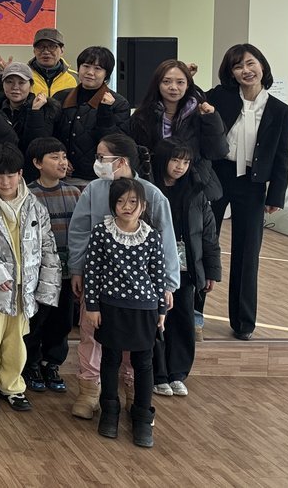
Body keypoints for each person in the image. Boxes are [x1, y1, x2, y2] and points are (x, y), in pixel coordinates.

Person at [66, 132, 180, 420]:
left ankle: (131, 390)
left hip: (139, 293)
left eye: (102, 157)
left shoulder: (151, 194)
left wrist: (168, 285)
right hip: (99, 286)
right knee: (91, 335)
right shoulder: (93, 190)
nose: (97, 162)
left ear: (121, 161)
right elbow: (79, 231)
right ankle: (89, 390)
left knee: (135, 343)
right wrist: (76, 269)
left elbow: (166, 242)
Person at [206, 43, 288, 341]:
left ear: (262, 66)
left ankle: (243, 323)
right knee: (203, 243)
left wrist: (276, 195)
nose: (246, 70)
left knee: (247, 252)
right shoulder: (219, 97)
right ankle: (194, 314)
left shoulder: (281, 110)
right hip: (217, 175)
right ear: (231, 73)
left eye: (250, 63)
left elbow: (282, 156)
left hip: (252, 184)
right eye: (238, 66)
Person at [0, 143, 60, 413]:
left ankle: (12, 384)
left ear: (20, 174)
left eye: (11, 175)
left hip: (24, 287)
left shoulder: (35, 206)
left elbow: (47, 247)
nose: (5, 182)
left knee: (16, 340)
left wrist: (47, 288)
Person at [83, 178, 167, 448]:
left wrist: (162, 310)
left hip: (144, 309)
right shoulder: (102, 232)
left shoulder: (151, 236)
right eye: (120, 202)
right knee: (110, 359)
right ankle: (110, 411)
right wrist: (92, 306)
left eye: (132, 201)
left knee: (143, 363)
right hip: (111, 306)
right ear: (113, 205)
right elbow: (92, 271)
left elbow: (158, 275)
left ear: (143, 206)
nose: (126, 206)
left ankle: (142, 417)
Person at [150, 139, 219, 398]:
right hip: (152, 268)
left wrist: (211, 271)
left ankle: (178, 373)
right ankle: (158, 374)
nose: (180, 166)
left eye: (186, 162)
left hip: (186, 268)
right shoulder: (149, 189)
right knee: (155, 320)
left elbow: (209, 235)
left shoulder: (196, 191)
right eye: (175, 160)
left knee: (182, 319)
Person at [22, 136, 80, 393]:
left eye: (64, 157)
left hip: (66, 273)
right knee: (37, 320)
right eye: (54, 158)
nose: (62, 162)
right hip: (39, 273)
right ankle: (31, 363)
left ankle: (52, 363)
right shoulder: (27, 194)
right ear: (37, 163)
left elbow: (79, 233)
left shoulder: (74, 193)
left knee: (62, 321)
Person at [129, 59, 227, 201]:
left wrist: (211, 119)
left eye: (180, 82)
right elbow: (136, 153)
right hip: (156, 185)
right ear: (157, 84)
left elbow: (217, 152)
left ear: (188, 85)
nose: (173, 87)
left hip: (194, 186)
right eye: (166, 82)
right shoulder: (142, 116)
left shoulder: (201, 113)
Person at [51, 46, 131, 180]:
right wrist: (61, 159)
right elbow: (52, 135)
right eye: (86, 66)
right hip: (61, 175)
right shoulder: (61, 97)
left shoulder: (118, 103)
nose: (90, 72)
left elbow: (116, 145)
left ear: (106, 74)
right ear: (78, 68)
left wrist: (105, 111)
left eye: (97, 69)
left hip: (98, 176)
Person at [0, 61, 56, 179]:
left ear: (31, 85)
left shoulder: (45, 109)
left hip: (30, 174)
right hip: (0, 171)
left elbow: (36, 146)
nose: (15, 87)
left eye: (21, 82)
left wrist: (35, 112)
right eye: (9, 82)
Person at [28, 28, 77, 97]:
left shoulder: (76, 78)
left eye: (52, 46)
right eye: (40, 47)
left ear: (62, 50)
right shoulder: (24, 76)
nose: (46, 52)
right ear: (34, 51)